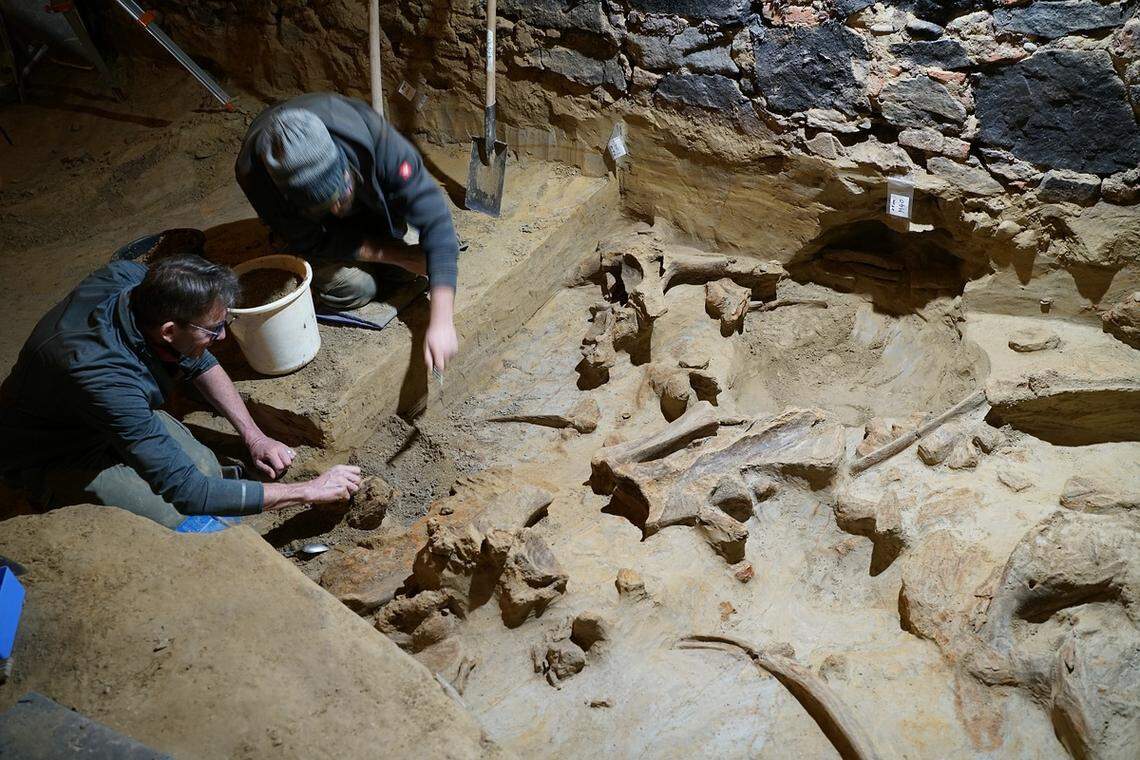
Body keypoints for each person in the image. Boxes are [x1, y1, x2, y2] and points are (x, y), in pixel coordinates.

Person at [0, 255, 361, 528]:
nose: (222, 337)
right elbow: (190, 494)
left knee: (205, 466)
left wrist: (254, 437)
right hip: (59, 451)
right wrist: (309, 490)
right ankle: (49, 493)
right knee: (195, 523)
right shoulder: (101, 377)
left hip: (101, 411)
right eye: (214, 329)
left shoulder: (135, 282)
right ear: (169, 331)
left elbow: (198, 361)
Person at [236, 92, 460, 373]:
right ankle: (317, 284)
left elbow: (436, 218)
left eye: (341, 195)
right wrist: (398, 255)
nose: (338, 209)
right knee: (356, 288)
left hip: (362, 187)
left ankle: (364, 223)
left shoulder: (376, 142)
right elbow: (313, 238)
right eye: (327, 205)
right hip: (317, 230)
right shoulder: (256, 178)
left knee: (421, 255)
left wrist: (441, 321)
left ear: (345, 169)